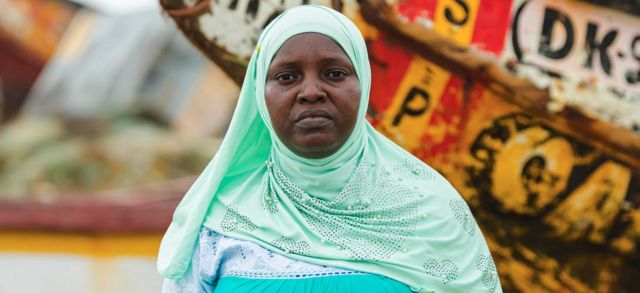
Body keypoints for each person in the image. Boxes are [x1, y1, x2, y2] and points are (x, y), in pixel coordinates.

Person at [158, 5, 501, 293]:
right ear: (259, 95)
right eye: (287, 77)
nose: (311, 92)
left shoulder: (430, 210)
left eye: (334, 74)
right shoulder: (218, 218)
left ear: (363, 84)